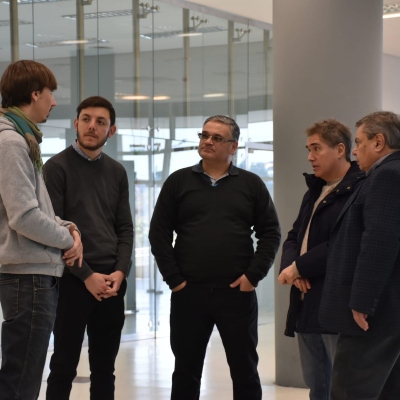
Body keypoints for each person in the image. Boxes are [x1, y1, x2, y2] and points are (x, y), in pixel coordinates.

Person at [149, 115, 281, 400]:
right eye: (204, 135)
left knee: (245, 370)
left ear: (233, 147)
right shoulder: (178, 182)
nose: (207, 141)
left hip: (237, 293)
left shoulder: (251, 184)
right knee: (185, 371)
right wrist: (175, 280)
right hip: (188, 294)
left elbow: (271, 233)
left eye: (217, 138)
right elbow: (158, 234)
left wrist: (252, 276)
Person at [0, 60, 83, 400]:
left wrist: (69, 228)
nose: (53, 101)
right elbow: (23, 216)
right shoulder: (12, 142)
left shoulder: (22, 138)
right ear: (35, 94)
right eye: (50, 93)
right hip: (28, 277)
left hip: (30, 274)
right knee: (21, 380)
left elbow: (35, 209)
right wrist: (67, 240)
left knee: (23, 374)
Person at [44, 96, 134, 400]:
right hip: (71, 282)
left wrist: (120, 272)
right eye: (86, 119)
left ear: (112, 130)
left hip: (111, 283)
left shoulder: (117, 172)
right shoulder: (56, 167)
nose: (92, 126)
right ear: (76, 124)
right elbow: (55, 231)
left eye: (100, 122)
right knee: (63, 367)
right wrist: (86, 275)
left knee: (105, 369)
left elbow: (125, 228)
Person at [277, 119, 365, 400]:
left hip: (336, 304)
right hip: (306, 302)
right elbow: (294, 236)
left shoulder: (359, 189)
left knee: (341, 388)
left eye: (317, 148)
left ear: (340, 149)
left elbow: (344, 241)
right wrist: (293, 268)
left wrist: (300, 266)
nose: (310, 157)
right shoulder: (314, 190)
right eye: (309, 149)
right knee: (316, 387)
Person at [319, 111, 400, 400]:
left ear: (378, 142)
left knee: (350, 391)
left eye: (359, 142)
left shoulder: (387, 175)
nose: (354, 151)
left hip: (375, 314)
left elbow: (379, 240)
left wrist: (363, 301)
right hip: (388, 310)